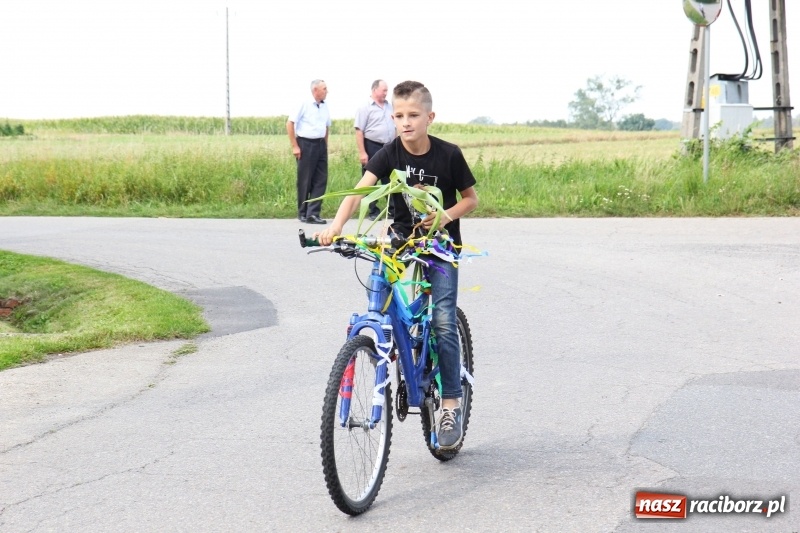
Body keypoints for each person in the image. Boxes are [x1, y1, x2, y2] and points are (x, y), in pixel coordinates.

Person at [316, 81, 479, 449]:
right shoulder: (390, 153)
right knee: (381, 296)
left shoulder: (448, 155)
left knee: (442, 319)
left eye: (413, 115)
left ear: (429, 117)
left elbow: (471, 199)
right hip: (400, 242)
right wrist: (336, 227)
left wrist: (445, 216)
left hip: (439, 247)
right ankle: (395, 349)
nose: (406, 122)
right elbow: (359, 192)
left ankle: (450, 404)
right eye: (399, 115)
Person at [287, 79, 331, 224]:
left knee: (321, 179)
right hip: (306, 144)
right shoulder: (304, 103)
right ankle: (303, 212)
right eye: (324, 89)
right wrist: (295, 146)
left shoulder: (324, 106)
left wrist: (325, 144)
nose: (327, 91)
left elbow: (326, 126)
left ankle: (313, 213)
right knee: (305, 179)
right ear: (315, 90)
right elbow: (290, 123)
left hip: (320, 145)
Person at [354, 79, 396, 220]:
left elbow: (395, 126)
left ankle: (392, 209)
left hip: (389, 146)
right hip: (372, 145)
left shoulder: (390, 107)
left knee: (390, 179)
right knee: (370, 179)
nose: (386, 93)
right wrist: (362, 152)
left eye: (387, 90)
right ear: (374, 90)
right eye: (384, 90)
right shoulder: (365, 108)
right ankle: (373, 211)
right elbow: (359, 131)